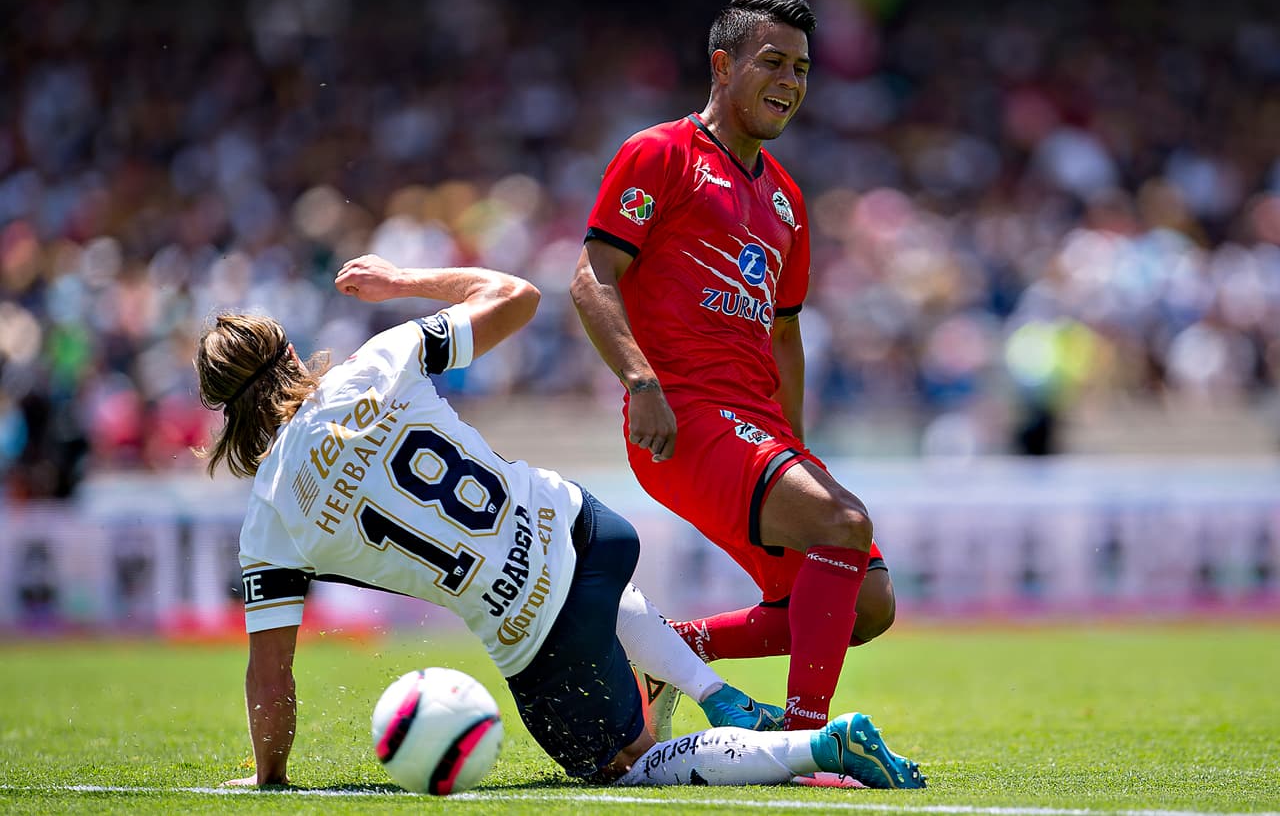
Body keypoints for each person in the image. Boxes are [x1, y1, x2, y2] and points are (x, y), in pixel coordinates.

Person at [196, 254, 925, 790]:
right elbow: (514, 294)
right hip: (587, 527)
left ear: (227, 419)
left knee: (632, 769)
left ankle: (819, 746)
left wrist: (272, 777)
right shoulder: (375, 361)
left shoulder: (269, 516)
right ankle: (716, 693)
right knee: (579, 586)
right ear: (291, 353)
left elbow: (271, 671)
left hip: (536, 629)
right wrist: (401, 281)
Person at [570, 0, 897, 732]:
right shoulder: (660, 153)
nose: (790, 81)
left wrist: (797, 445)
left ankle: (669, 651)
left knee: (868, 604)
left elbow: (785, 334)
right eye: (773, 62)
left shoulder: (786, 199)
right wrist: (640, 381)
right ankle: (806, 740)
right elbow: (592, 276)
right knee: (844, 523)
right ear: (723, 65)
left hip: (758, 428)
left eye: (803, 69)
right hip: (684, 417)